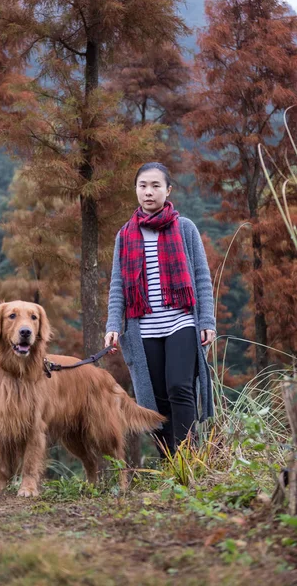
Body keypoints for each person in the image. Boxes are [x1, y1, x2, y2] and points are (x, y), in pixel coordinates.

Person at [104, 162, 216, 457]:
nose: (148, 192)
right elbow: (118, 286)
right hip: (145, 329)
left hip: (181, 321)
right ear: (136, 190)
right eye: (143, 186)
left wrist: (207, 320)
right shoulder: (125, 235)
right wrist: (113, 326)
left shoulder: (184, 228)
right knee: (156, 400)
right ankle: (171, 463)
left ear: (168, 190)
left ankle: (190, 459)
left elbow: (202, 277)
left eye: (155, 186)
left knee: (180, 387)